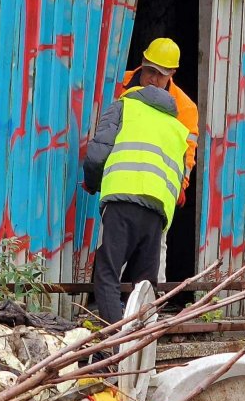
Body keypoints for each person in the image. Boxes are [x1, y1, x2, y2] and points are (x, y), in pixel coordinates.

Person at [82, 85, 188, 324]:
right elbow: (180, 175)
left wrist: (91, 182)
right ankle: (141, 343)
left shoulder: (124, 106)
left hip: (122, 198)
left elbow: (98, 153)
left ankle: (116, 342)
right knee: (144, 283)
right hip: (157, 209)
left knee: (107, 273)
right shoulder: (177, 128)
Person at [119, 38, 199, 283]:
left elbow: (187, 152)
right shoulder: (119, 84)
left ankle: (155, 300)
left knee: (156, 246)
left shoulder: (184, 107)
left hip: (157, 184)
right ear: (142, 62)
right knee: (117, 243)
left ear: (172, 73)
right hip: (122, 178)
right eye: (149, 70)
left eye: (160, 74)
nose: (152, 79)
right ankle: (113, 303)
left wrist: (181, 185)